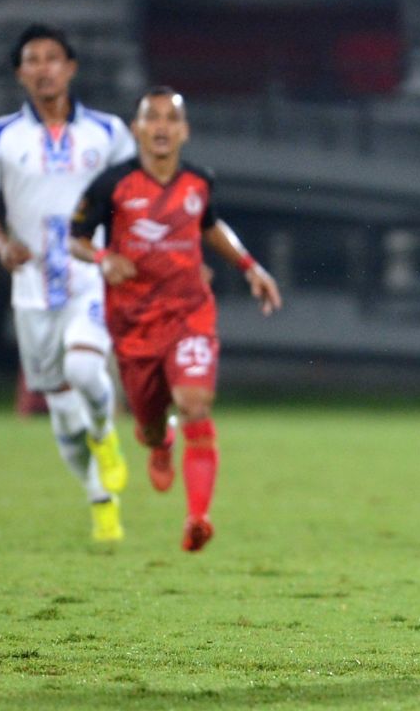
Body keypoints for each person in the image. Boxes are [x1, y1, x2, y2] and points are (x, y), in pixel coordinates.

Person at [69, 87, 283, 552]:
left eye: (172, 118)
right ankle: (160, 442)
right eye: (153, 117)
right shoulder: (112, 185)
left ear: (184, 131)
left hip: (189, 314)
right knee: (147, 425)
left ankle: (197, 518)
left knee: (194, 403)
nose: (162, 126)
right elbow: (75, 238)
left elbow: (210, 226)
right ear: (137, 129)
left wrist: (252, 268)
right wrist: (103, 258)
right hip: (134, 325)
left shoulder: (198, 182)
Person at [0, 23, 133, 543]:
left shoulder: (107, 133)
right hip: (34, 286)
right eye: (33, 60)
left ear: (71, 67)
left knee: (86, 369)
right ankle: (98, 499)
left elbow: (133, 199)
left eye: (53, 58)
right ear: (20, 73)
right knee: (61, 412)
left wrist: (126, 256)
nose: (44, 68)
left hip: (88, 275)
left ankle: (106, 435)